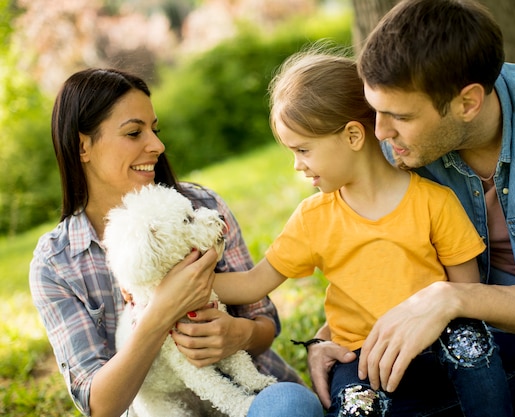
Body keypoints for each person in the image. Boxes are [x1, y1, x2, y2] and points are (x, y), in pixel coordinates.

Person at [306, 0, 515, 416]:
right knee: (364, 396)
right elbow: (365, 254)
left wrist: (454, 297)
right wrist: (326, 337)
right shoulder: (392, 147)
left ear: (468, 103)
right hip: (469, 342)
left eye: (399, 116)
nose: (381, 132)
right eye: (375, 112)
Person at [210, 46, 512, 417]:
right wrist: (177, 285)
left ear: (354, 136)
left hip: (435, 345)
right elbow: (252, 284)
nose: (297, 165)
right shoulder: (312, 218)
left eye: (303, 150)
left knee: (472, 340)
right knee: (355, 407)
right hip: (362, 359)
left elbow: (466, 294)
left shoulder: (435, 202)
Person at [28, 68, 323, 417]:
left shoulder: (202, 208)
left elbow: (265, 323)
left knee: (292, 406)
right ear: (83, 146)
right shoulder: (57, 263)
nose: (157, 145)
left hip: (247, 400)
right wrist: (161, 311)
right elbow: (100, 405)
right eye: (134, 132)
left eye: (154, 130)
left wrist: (237, 335)